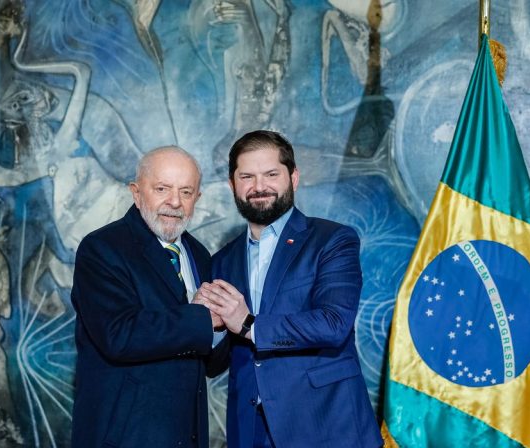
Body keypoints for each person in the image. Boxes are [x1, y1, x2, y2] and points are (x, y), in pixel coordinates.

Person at [197, 130, 382, 447]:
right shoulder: (221, 262)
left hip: (325, 426)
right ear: (232, 185)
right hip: (249, 431)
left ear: (293, 178)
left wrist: (248, 323)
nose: (259, 187)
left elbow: (334, 324)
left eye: (271, 174)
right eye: (247, 177)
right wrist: (209, 325)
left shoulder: (332, 240)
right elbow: (215, 364)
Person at [70, 146, 222, 447]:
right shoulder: (101, 248)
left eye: (186, 192)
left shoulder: (200, 255)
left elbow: (212, 360)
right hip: (125, 435)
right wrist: (204, 318)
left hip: (187, 435)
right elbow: (119, 335)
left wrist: (226, 325)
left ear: (197, 199)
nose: (175, 202)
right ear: (137, 193)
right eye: (162, 188)